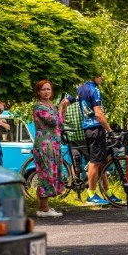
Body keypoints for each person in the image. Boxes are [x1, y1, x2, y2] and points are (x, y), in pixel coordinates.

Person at [70, 73, 121, 205]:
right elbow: (98, 114)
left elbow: (65, 102)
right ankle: (91, 194)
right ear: (93, 76)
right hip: (96, 128)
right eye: (99, 75)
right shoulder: (94, 90)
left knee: (101, 161)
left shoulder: (80, 88)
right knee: (95, 162)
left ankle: (107, 192)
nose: (102, 78)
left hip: (87, 129)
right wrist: (110, 130)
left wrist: (60, 115)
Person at [32, 80, 67, 217]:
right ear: (38, 92)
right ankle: (43, 209)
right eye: (43, 90)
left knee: (51, 173)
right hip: (44, 144)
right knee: (45, 173)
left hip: (54, 143)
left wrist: (62, 110)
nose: (46, 92)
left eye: (48, 89)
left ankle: (43, 207)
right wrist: (59, 109)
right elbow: (53, 121)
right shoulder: (39, 107)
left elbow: (59, 122)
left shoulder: (50, 105)